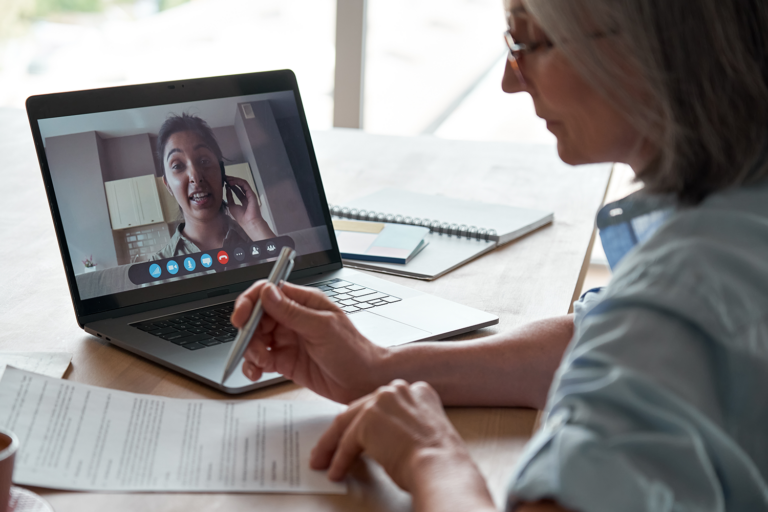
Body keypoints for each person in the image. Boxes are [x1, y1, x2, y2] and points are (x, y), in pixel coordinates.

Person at [230, 0, 768, 510]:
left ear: (652, 45)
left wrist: (431, 457)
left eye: (529, 40)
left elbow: (648, 334)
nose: (511, 80)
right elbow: (598, 335)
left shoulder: (686, 287)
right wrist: (377, 366)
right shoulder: (734, 221)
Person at [149, 113, 276, 261]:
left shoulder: (257, 240)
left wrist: (255, 225)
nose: (195, 177)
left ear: (221, 171)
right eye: (177, 166)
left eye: (204, 161)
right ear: (168, 186)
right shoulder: (159, 265)